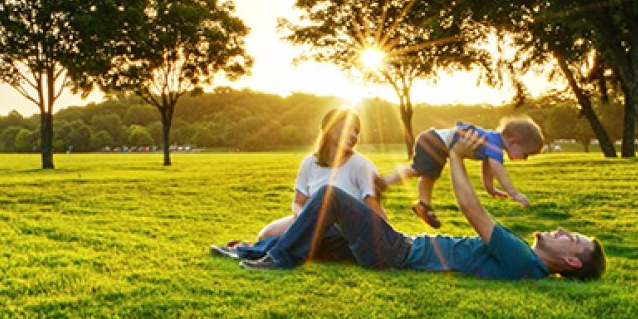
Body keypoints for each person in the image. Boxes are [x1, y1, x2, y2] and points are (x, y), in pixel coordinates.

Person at [239, 137, 605, 280]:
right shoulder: (525, 262)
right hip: (400, 249)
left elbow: (472, 210)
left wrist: (456, 157)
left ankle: (277, 259)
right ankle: (251, 250)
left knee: (331, 196)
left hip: (400, 252)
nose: (560, 231)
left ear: (572, 262)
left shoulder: (523, 257)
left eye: (570, 239)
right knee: (328, 234)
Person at [209, 107, 386, 262]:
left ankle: (243, 251)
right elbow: (298, 202)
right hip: (309, 220)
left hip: (343, 227)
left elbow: (374, 207)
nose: (354, 136)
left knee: (309, 239)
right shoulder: (309, 163)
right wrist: (304, 219)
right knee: (266, 234)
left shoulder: (361, 165)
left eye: (357, 131)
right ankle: (263, 248)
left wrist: (391, 238)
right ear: (331, 129)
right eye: (349, 129)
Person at [379, 117, 542, 229]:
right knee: (418, 170)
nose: (524, 159)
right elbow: (498, 170)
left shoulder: (492, 143)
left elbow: (488, 168)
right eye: (526, 154)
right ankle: (384, 182)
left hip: (436, 142)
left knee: (429, 175)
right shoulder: (495, 145)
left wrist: (490, 188)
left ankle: (424, 205)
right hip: (435, 141)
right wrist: (515, 194)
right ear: (514, 141)